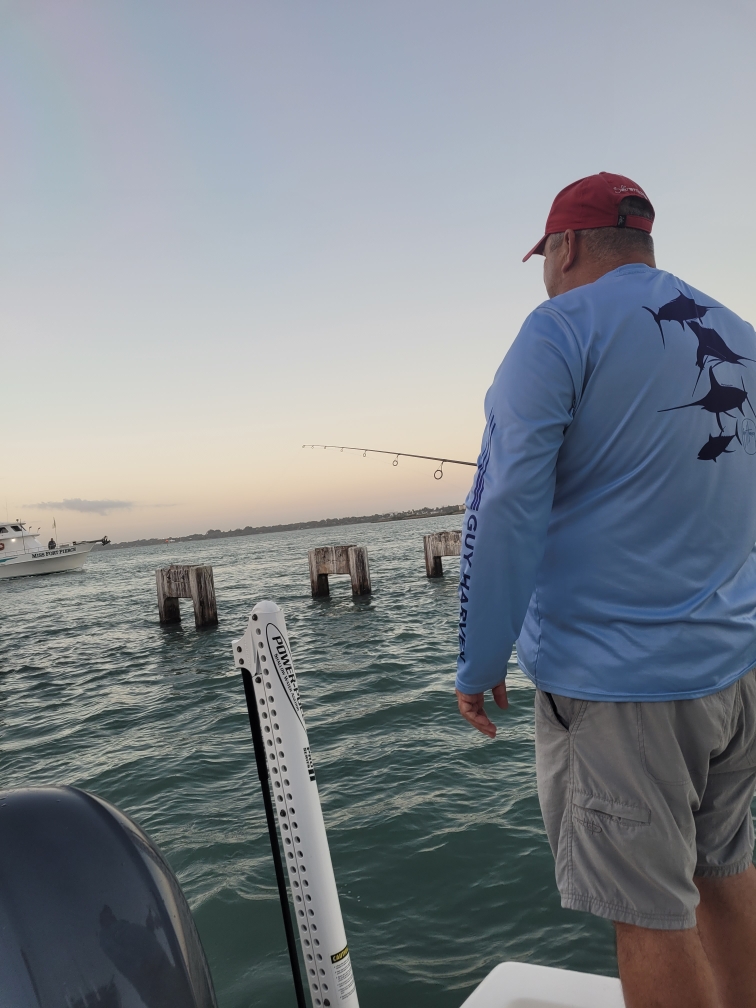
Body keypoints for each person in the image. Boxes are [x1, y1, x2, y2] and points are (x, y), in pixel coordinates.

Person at [455, 172, 756, 1008]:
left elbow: (507, 504)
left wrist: (480, 659)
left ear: (567, 245)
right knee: (725, 868)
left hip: (623, 692)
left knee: (648, 914)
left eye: (546, 257)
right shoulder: (738, 332)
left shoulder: (555, 330)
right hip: (736, 673)